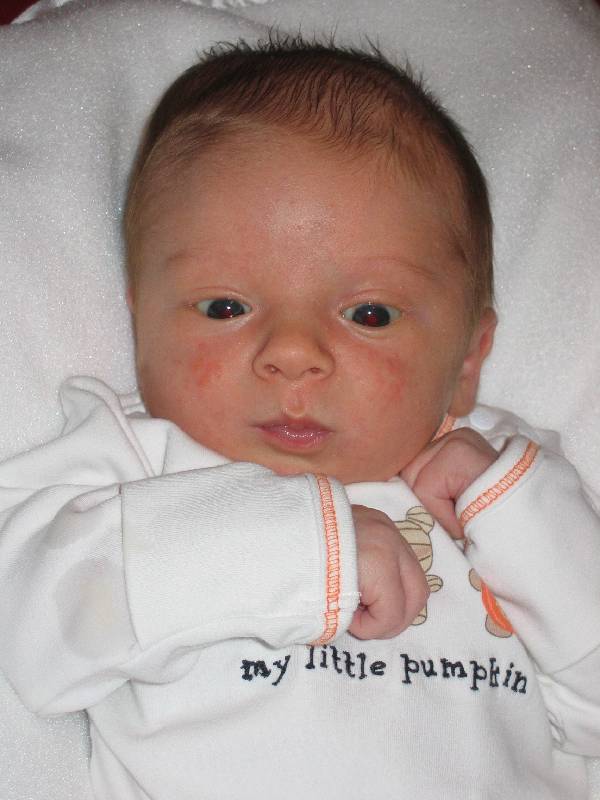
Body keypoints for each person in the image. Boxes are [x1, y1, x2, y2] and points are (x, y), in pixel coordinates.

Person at [0, 36, 599, 800]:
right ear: (141, 321)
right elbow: (32, 626)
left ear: (467, 361)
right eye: (225, 307)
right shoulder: (136, 467)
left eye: (370, 314)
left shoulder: (499, 487)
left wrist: (521, 515)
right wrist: (298, 551)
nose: (292, 353)